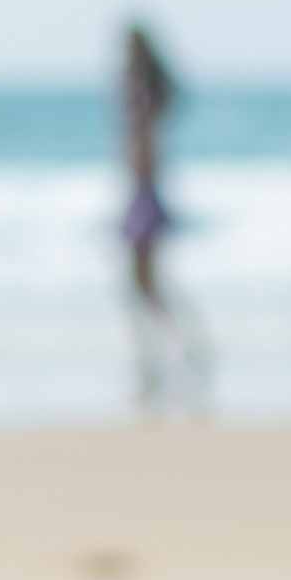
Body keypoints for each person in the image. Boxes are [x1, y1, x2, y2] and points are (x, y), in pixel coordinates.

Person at [117, 21, 207, 412]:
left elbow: (144, 146)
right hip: (142, 192)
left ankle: (172, 357)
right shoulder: (143, 95)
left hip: (144, 195)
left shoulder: (142, 95)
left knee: (144, 285)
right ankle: (168, 356)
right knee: (144, 284)